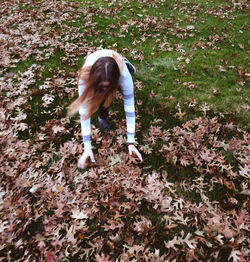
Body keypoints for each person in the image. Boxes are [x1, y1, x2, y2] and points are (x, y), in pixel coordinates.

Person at [68, 49, 143, 168]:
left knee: (108, 94)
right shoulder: (84, 78)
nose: (104, 89)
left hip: (118, 64)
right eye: (101, 86)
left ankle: (126, 64)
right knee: (101, 97)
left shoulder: (123, 76)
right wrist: (87, 147)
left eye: (107, 86)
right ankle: (103, 116)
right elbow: (84, 112)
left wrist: (131, 141)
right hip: (94, 64)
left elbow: (129, 108)